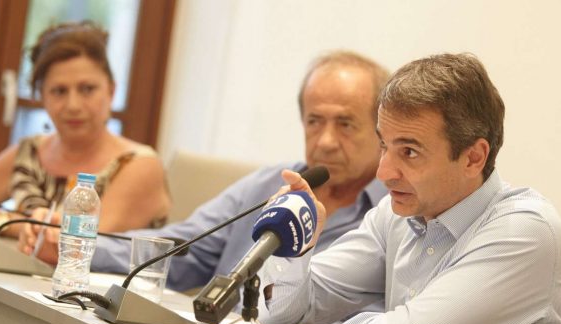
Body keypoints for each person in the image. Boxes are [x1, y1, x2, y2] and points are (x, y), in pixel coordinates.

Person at [258, 53, 561, 324]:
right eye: (384, 146)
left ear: (473, 157)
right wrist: (294, 250)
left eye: (409, 152)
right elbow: (282, 310)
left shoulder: (525, 231)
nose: (384, 173)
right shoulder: (396, 215)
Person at [21, 50, 389, 292]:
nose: (326, 141)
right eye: (314, 121)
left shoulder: (394, 214)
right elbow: (183, 249)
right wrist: (76, 245)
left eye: (345, 124)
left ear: (381, 129)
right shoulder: (270, 185)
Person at [0, 21, 170, 244]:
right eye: (59, 91)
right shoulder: (28, 153)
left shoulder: (140, 164)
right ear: (42, 97)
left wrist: (11, 224)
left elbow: (77, 243)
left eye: (87, 89)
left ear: (111, 91)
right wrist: (16, 225)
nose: (73, 105)